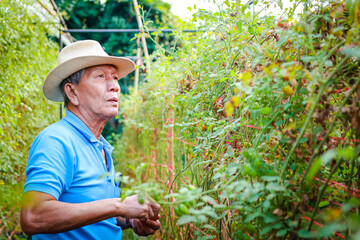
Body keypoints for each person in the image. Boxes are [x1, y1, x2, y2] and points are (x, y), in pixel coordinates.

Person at [20, 40, 161, 239]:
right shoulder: (57, 141)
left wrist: (128, 220)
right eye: (100, 76)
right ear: (72, 92)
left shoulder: (100, 146)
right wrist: (118, 205)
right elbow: (33, 216)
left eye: (115, 77)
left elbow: (90, 210)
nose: (114, 86)